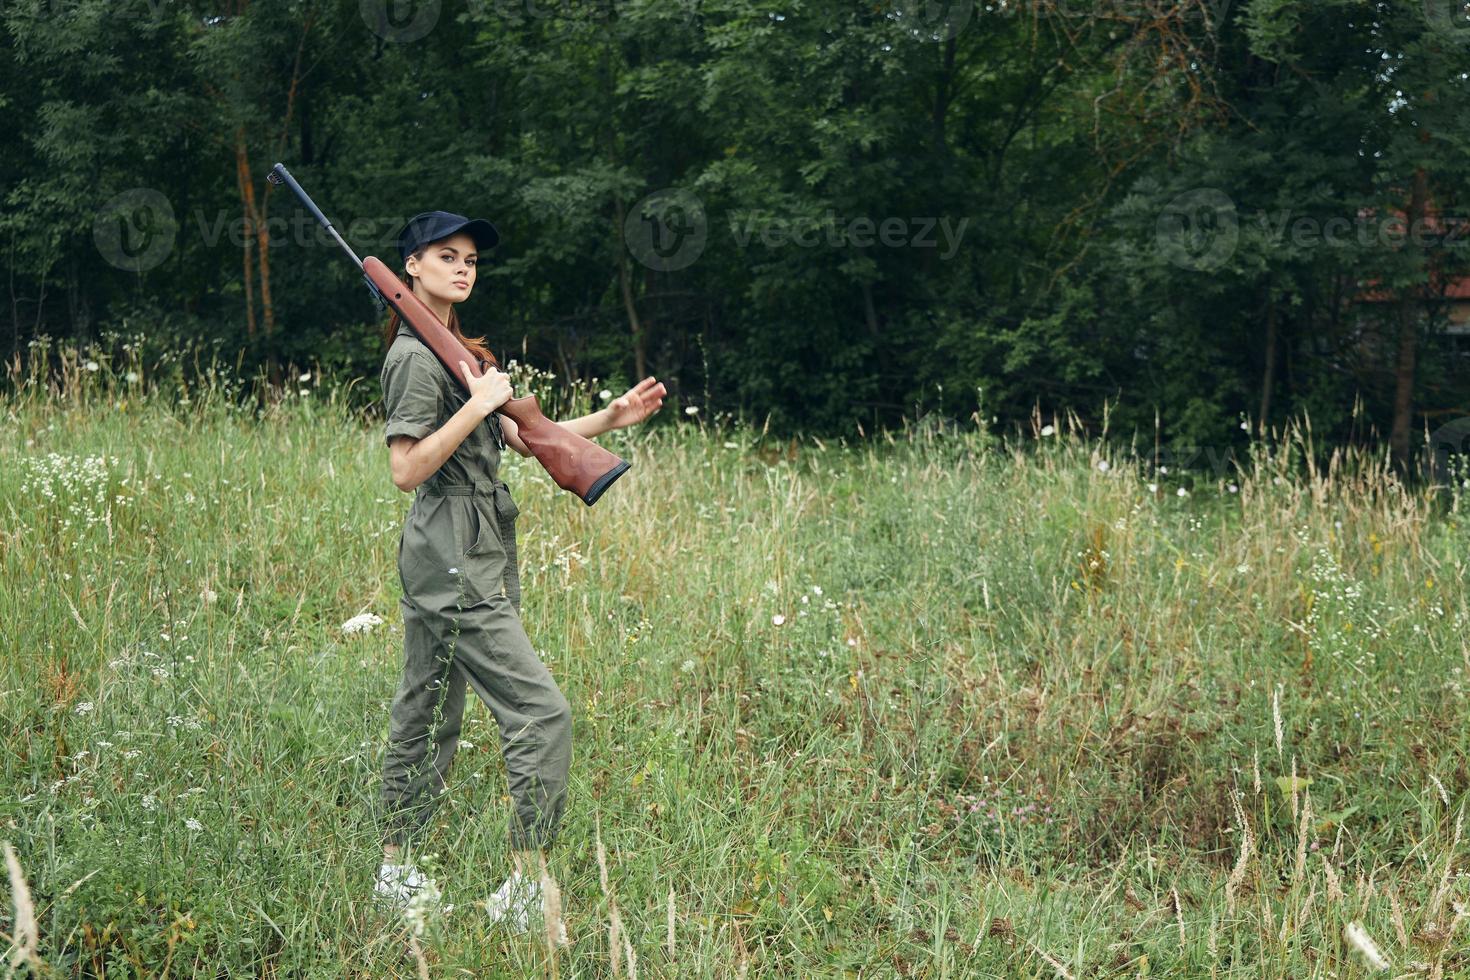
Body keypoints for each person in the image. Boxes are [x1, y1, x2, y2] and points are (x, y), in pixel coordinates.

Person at [370, 210, 665, 940]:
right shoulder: (414, 358)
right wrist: (473, 405)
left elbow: (521, 440)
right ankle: (525, 885)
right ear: (411, 267)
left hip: (470, 542)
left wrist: (608, 419)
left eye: (471, 258)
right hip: (449, 548)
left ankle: (394, 866)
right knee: (541, 714)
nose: (464, 268)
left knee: (428, 707)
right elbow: (406, 469)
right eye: (446, 256)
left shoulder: (457, 350)